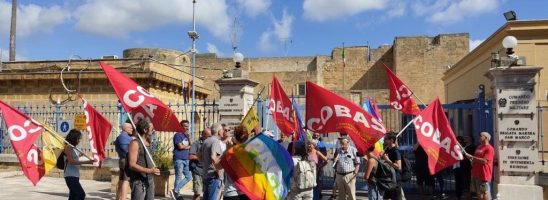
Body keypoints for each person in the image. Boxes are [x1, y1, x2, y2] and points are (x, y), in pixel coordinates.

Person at [128, 119, 160, 200]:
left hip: (149, 180)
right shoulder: (135, 143)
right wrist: (149, 171)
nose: (153, 131)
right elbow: (132, 165)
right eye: (152, 129)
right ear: (145, 130)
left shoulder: (148, 143)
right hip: (139, 181)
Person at [64, 129, 96, 200]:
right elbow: (71, 162)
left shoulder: (75, 148)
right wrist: (87, 162)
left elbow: (79, 157)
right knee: (81, 194)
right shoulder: (68, 147)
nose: (79, 140)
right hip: (70, 175)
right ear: (73, 138)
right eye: (78, 138)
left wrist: (92, 159)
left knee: (73, 196)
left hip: (75, 175)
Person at [223, 125, 250, 200]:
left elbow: (218, 165)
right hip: (246, 192)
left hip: (231, 193)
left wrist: (227, 150)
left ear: (235, 137)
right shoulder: (251, 153)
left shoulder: (230, 152)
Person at [465, 132, 494, 200]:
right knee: (479, 194)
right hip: (475, 173)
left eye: (481, 136)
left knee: (484, 194)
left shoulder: (489, 148)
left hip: (483, 174)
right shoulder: (479, 147)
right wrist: (471, 159)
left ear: (486, 138)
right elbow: (475, 158)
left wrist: (472, 157)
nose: (479, 137)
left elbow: (485, 161)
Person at [201, 123, 225, 200]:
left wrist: (205, 164)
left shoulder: (206, 140)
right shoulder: (215, 141)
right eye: (222, 130)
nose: (223, 132)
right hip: (213, 176)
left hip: (206, 174)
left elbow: (198, 154)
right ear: (218, 131)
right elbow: (213, 157)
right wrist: (218, 173)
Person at [172, 120, 192, 198]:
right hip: (179, 158)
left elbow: (192, 144)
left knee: (188, 177)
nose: (187, 128)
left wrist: (189, 137)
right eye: (185, 126)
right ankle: (176, 194)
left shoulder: (186, 135)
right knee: (178, 176)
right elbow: (180, 146)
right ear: (181, 126)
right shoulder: (178, 135)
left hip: (186, 158)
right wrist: (189, 146)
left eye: (188, 126)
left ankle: (175, 190)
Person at [189, 128, 210, 200]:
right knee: (197, 192)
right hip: (197, 171)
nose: (211, 138)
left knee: (206, 193)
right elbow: (190, 156)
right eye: (209, 136)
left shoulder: (212, 143)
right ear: (203, 135)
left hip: (207, 172)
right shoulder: (196, 144)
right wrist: (202, 157)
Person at [114, 122, 134, 200]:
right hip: (126, 160)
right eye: (130, 127)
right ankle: (123, 198)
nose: (132, 129)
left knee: (122, 180)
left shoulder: (122, 137)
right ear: (125, 128)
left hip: (123, 160)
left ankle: (118, 197)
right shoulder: (124, 137)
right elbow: (127, 150)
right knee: (126, 180)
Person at [382, 132, 403, 200]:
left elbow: (398, 166)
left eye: (386, 139)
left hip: (395, 180)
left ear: (391, 140)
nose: (384, 140)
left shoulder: (396, 151)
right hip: (388, 179)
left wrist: (388, 160)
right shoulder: (387, 149)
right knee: (386, 198)